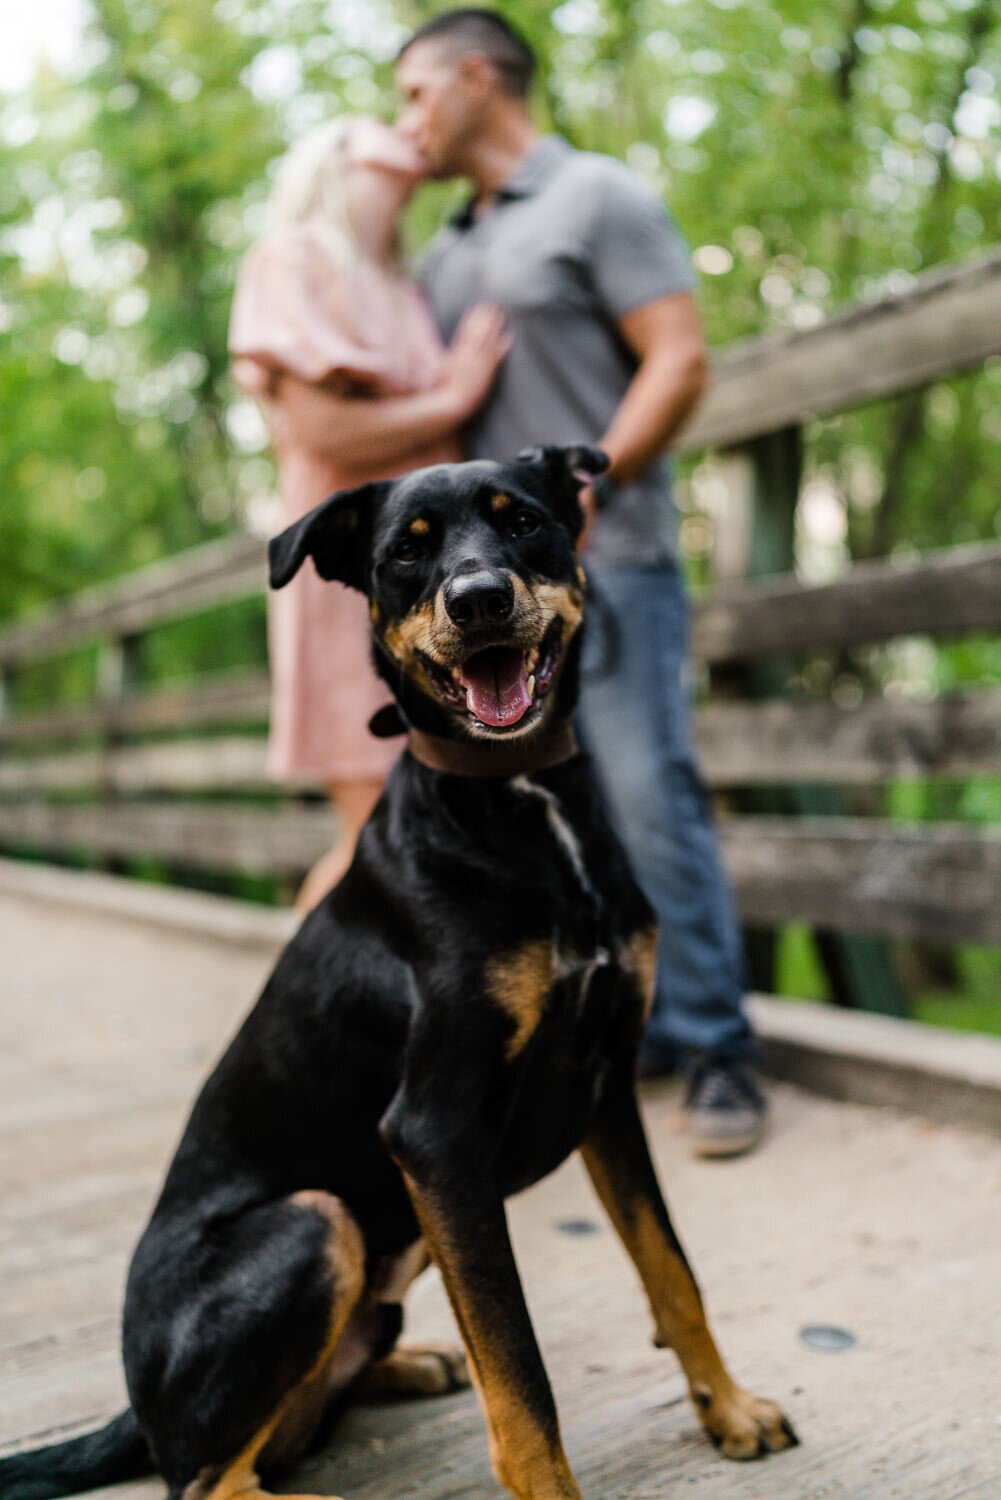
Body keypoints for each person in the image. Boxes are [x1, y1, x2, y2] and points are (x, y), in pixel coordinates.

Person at [396, 9, 766, 1156]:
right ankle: (623, 1036)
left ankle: (716, 1048)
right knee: (540, 818)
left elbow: (679, 354)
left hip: (611, 562)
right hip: (482, 603)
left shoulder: (595, 196)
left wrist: (590, 495)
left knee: (648, 792)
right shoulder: (441, 256)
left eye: (412, 93)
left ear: (473, 76)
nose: (402, 121)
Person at [229, 115, 509, 911]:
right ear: (338, 159)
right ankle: (305, 1023)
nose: (407, 126)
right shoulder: (294, 256)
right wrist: (453, 394)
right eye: (380, 122)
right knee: (375, 832)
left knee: (429, 831)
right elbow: (324, 428)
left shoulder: (397, 281)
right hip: (356, 578)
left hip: (433, 574)